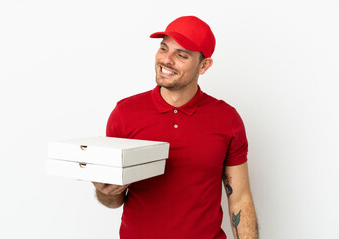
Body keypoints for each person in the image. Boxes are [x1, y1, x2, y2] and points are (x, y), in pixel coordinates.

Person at [93, 16, 258, 239]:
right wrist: (105, 191)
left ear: (204, 65)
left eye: (181, 55)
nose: (167, 60)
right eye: (163, 48)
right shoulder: (125, 114)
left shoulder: (227, 119)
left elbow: (239, 199)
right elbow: (113, 200)